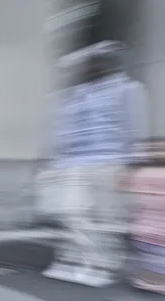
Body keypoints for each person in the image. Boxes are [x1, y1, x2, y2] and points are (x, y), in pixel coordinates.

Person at [41, 41, 149, 287]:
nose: (94, 65)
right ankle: (77, 260)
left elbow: (135, 126)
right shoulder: (79, 93)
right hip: (74, 162)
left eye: (99, 61)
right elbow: (65, 129)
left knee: (105, 219)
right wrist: (55, 159)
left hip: (110, 161)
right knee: (74, 215)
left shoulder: (128, 89)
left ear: (111, 63)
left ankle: (102, 265)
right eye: (92, 61)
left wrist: (133, 164)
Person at [126, 139, 165, 294]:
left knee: (149, 251)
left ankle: (148, 279)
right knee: (153, 251)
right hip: (151, 220)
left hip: (146, 221)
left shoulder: (140, 172)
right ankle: (152, 280)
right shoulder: (142, 173)